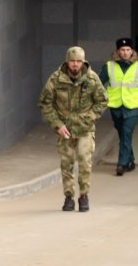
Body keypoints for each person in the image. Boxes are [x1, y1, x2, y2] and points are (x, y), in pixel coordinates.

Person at [38, 46, 108, 212]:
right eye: (72, 61)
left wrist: (89, 118)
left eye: (78, 61)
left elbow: (102, 101)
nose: (75, 65)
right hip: (65, 129)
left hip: (85, 128)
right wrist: (57, 124)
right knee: (67, 163)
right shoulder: (56, 79)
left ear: (83, 62)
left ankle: (84, 195)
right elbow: (45, 103)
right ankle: (68, 196)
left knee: (85, 161)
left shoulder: (91, 79)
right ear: (67, 61)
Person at [98, 37, 138, 176]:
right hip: (115, 106)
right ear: (117, 51)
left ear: (132, 51)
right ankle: (130, 160)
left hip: (133, 106)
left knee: (126, 133)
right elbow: (98, 84)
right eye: (122, 50)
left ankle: (121, 164)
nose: (125, 52)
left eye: (128, 50)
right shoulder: (109, 66)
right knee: (122, 134)